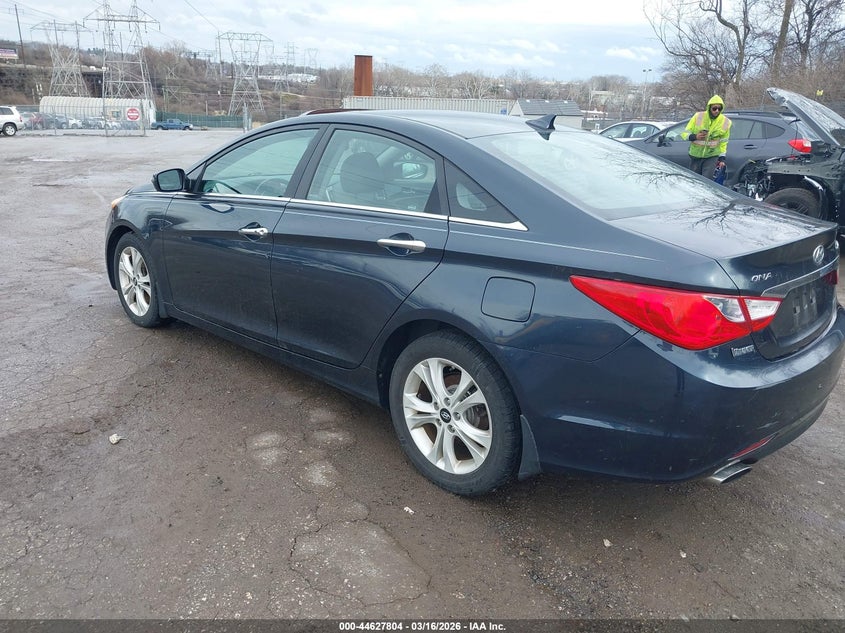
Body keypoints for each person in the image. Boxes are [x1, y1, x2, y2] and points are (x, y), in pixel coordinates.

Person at [684, 95, 731, 184]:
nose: (717, 111)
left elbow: (724, 142)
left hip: (711, 156)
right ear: (709, 107)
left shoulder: (726, 122)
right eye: (714, 108)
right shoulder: (698, 116)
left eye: (719, 108)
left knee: (706, 182)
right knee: (693, 181)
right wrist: (694, 136)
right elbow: (685, 133)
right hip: (695, 155)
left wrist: (722, 159)